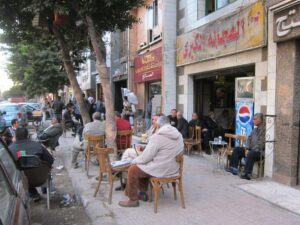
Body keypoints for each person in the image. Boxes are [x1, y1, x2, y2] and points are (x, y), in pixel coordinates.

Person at [118, 116, 184, 207]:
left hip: (161, 169)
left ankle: (133, 200)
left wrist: (134, 161)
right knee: (144, 165)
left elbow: (146, 158)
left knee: (133, 169)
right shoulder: (179, 135)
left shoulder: (157, 137)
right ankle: (142, 193)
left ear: (158, 125)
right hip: (174, 168)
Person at [9, 127, 54, 201]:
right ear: (28, 135)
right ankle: (43, 190)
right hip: (41, 178)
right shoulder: (38, 145)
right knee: (39, 167)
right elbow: (50, 160)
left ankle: (33, 194)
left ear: (15, 136)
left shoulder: (10, 149)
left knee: (23, 171)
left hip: (21, 182)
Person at [227, 113, 265, 180]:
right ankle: (233, 168)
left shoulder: (263, 130)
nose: (253, 120)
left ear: (260, 120)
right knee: (236, 149)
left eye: (255, 119)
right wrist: (247, 148)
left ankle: (247, 174)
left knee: (251, 153)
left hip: (259, 152)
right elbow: (249, 139)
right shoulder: (254, 130)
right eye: (253, 119)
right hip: (250, 150)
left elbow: (261, 144)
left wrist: (251, 150)